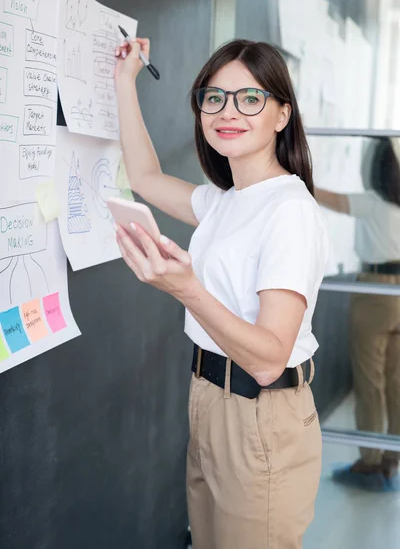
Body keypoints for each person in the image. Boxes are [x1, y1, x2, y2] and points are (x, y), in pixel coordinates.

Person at [114, 37, 329, 548]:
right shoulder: (226, 202)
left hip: (261, 414)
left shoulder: (288, 211)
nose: (226, 111)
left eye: (249, 99)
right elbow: (144, 177)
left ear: (281, 115)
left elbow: (269, 359)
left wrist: (186, 288)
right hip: (210, 399)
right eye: (214, 98)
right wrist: (125, 82)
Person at [315, 137, 400, 492]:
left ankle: (369, 464)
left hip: (376, 290)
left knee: (370, 383)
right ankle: (390, 459)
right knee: (396, 383)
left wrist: (293, 171)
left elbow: (326, 198)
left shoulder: (372, 203)